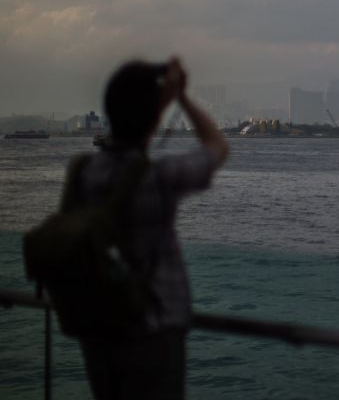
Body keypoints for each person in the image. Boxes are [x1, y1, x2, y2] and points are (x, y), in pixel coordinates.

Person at [64, 57, 229, 399]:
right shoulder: (158, 177)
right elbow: (217, 147)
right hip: (152, 328)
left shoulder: (82, 172)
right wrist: (181, 97)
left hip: (98, 328)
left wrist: (158, 102)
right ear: (154, 117)